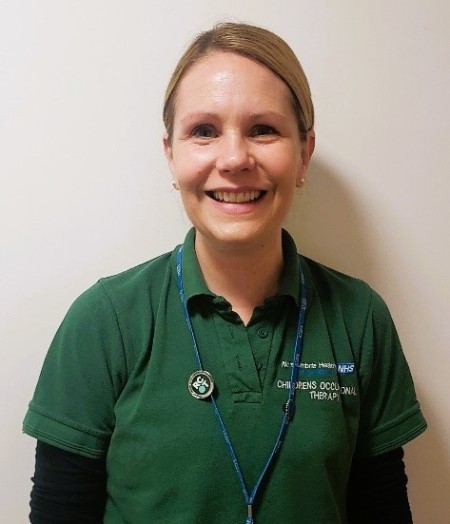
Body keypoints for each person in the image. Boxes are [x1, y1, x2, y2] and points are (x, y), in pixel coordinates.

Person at [23, 22, 427, 523]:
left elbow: (382, 506)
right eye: (204, 131)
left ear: (304, 154)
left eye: (263, 129)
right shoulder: (105, 321)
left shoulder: (360, 317)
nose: (234, 158)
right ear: (171, 154)